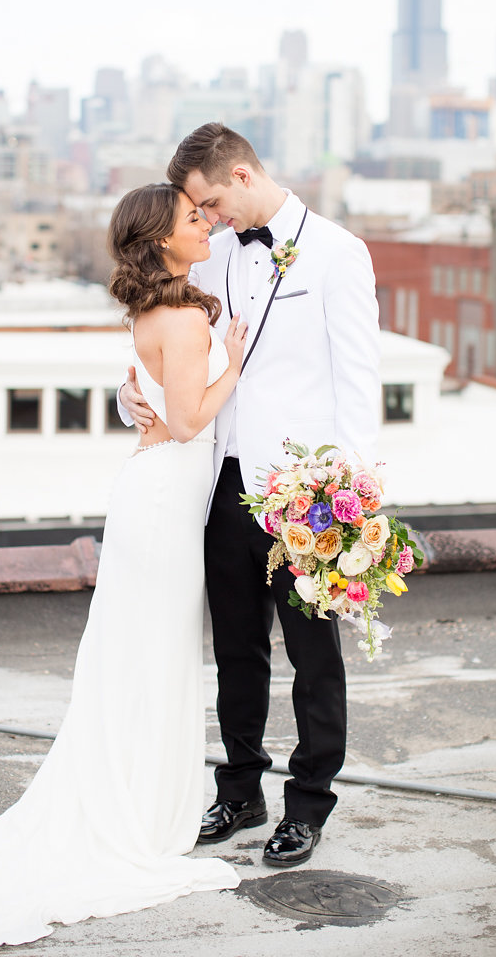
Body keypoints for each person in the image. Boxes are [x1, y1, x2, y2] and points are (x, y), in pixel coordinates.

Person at [0, 183, 248, 951]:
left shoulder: (155, 313)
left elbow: (164, 406)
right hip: (163, 501)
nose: (205, 225)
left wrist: (168, 392)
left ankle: (139, 802)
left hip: (152, 492)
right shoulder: (191, 318)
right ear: (159, 240)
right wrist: (240, 358)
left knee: (138, 659)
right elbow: (195, 417)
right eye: (192, 219)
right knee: (152, 659)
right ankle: (143, 816)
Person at [119, 123, 380, 868]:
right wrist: (124, 397)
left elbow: (359, 381)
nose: (207, 220)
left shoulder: (337, 252)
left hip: (305, 491)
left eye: (208, 203)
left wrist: (356, 491)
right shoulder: (214, 253)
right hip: (219, 484)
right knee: (235, 648)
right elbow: (161, 347)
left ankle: (308, 805)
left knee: (312, 653)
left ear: (239, 176)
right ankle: (240, 791)